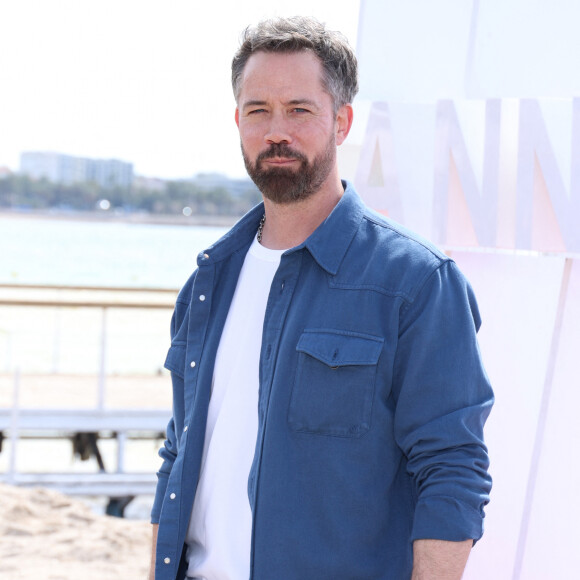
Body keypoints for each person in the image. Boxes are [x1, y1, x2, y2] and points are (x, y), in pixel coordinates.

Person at [149, 16, 493, 580]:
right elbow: (178, 457)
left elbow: (453, 469)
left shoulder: (416, 282)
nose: (276, 130)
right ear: (238, 122)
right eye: (258, 110)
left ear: (342, 120)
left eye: (299, 109)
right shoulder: (208, 282)